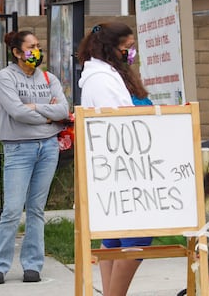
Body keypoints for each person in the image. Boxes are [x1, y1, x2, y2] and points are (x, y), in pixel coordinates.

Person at [77, 22, 153, 296]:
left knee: (117, 238)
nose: (131, 53)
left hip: (121, 167)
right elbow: (118, 124)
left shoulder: (108, 75)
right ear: (112, 48)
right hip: (121, 167)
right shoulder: (101, 80)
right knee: (136, 239)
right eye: (127, 47)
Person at [0, 31, 69, 284]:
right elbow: (16, 112)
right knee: (12, 209)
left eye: (38, 46)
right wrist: (47, 115)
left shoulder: (48, 77)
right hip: (18, 148)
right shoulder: (5, 77)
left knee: (36, 209)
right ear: (17, 51)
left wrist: (35, 108)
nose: (36, 50)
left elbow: (64, 109)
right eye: (31, 46)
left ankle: (33, 265)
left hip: (48, 146)